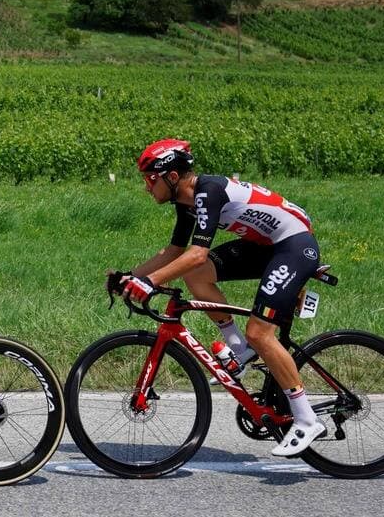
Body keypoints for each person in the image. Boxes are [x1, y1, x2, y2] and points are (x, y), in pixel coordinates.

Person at [120, 138, 326, 457]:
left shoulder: (209, 191)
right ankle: (239, 348)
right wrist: (131, 278)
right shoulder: (186, 202)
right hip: (267, 245)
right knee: (196, 277)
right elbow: (175, 252)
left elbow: (197, 253)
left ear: (172, 177)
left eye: (150, 179)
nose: (147, 188)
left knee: (261, 332)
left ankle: (306, 419)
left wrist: (150, 282)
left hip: (294, 246)